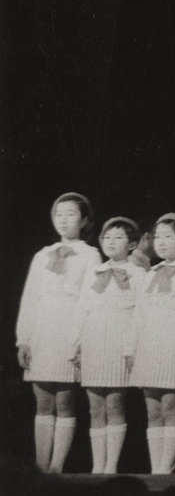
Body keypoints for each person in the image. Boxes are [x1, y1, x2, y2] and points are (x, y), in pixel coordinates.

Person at [16, 192, 102, 473]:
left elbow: (89, 299)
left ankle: (57, 468)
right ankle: (41, 467)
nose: (63, 220)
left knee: (64, 400)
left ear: (84, 220)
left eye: (71, 214)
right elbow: (30, 297)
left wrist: (80, 340)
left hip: (70, 328)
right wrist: (24, 339)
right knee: (43, 400)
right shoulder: (42, 255)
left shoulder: (90, 255)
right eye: (58, 214)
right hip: (43, 328)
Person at [70, 216, 146, 473]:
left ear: (132, 245)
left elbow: (141, 315)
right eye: (107, 237)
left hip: (119, 340)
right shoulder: (95, 272)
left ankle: (111, 465)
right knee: (95, 407)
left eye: (119, 237)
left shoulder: (138, 274)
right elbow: (83, 309)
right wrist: (76, 344)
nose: (111, 242)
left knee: (114, 403)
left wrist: (131, 347)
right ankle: (97, 466)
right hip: (94, 339)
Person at [128, 213, 175, 474]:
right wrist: (131, 348)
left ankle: (165, 468)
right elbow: (139, 313)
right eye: (157, 237)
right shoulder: (151, 273)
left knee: (170, 406)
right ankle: (155, 468)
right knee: (153, 410)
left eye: (168, 237)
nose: (160, 242)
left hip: (172, 345)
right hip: (149, 345)